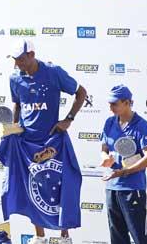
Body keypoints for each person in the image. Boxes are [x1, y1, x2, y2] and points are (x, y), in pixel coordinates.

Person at [7, 39, 87, 244]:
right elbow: (17, 104)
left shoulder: (53, 72)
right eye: (15, 60)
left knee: (62, 185)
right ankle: (39, 236)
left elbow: (81, 92)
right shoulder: (15, 78)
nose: (18, 64)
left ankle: (64, 236)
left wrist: (68, 119)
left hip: (53, 140)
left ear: (32, 55)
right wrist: (13, 126)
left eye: (21, 59)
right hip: (27, 143)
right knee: (32, 185)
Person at [100, 85, 147, 244]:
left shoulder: (141, 125)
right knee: (117, 238)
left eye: (114, 104)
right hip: (112, 188)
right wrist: (105, 157)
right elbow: (103, 149)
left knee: (143, 238)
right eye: (109, 104)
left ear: (127, 103)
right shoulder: (109, 123)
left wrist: (124, 171)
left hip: (133, 189)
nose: (110, 108)